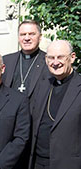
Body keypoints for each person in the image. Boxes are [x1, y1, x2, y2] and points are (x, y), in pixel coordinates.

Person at [29, 40, 81, 169]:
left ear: (72, 57)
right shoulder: (43, 85)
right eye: (51, 58)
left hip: (68, 163)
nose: (55, 62)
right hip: (38, 162)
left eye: (60, 57)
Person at [2, 20, 48, 97]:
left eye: (31, 34)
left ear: (40, 37)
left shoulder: (48, 61)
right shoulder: (6, 61)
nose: (27, 38)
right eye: (23, 34)